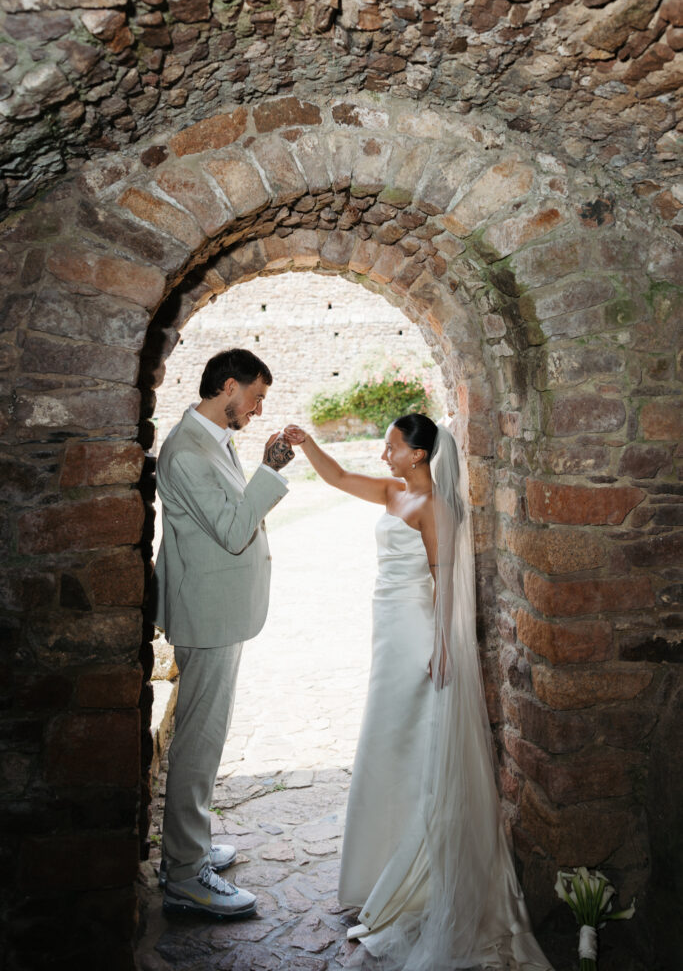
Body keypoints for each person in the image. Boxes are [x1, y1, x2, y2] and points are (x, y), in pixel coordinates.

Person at [285, 414, 553, 970]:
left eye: (392, 447)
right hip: (386, 628)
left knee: (408, 740)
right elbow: (335, 478)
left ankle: (417, 869)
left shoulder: (436, 508)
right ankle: (380, 864)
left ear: (419, 455)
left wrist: (443, 643)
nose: (384, 454)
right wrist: (306, 442)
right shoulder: (390, 491)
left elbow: (445, 579)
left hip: (414, 633)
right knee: (385, 741)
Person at [152, 348, 295, 920]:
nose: (259, 409)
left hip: (217, 608)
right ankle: (186, 876)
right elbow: (236, 529)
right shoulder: (187, 452)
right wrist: (271, 470)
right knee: (198, 741)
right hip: (205, 614)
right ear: (228, 387)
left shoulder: (212, 440)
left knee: (207, 736)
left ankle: (190, 848)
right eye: (255, 397)